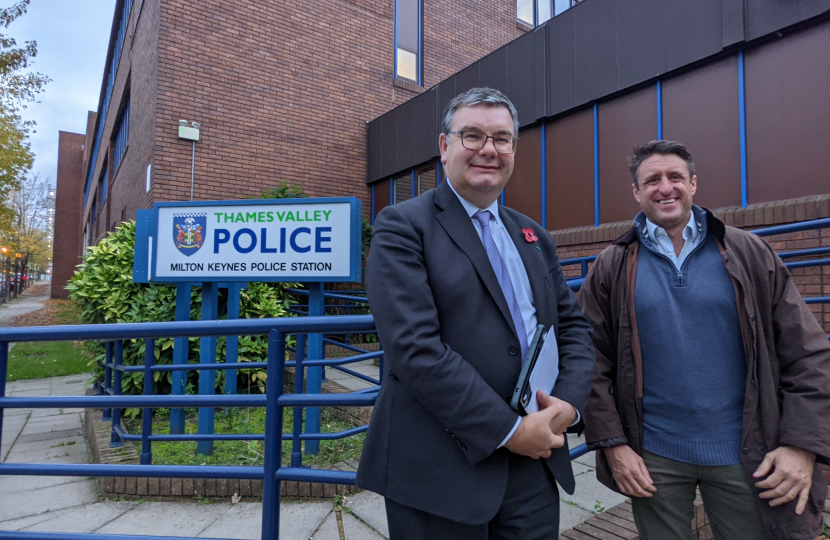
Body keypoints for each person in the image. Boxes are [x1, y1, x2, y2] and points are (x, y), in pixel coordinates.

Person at [355, 87, 595, 539]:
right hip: (440, 469)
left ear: (513, 150)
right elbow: (415, 350)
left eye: (502, 139)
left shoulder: (533, 235)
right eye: (472, 136)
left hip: (534, 466)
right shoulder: (402, 226)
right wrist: (508, 430)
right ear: (444, 147)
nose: (489, 149)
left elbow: (574, 329)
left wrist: (566, 404)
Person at [578, 140, 830, 540]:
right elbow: (588, 359)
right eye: (652, 180)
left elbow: (809, 352)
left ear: (693, 183)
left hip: (748, 454)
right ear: (636, 191)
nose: (665, 187)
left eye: (675, 177)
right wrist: (613, 444)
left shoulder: (749, 252)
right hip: (653, 457)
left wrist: (801, 445)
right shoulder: (612, 265)